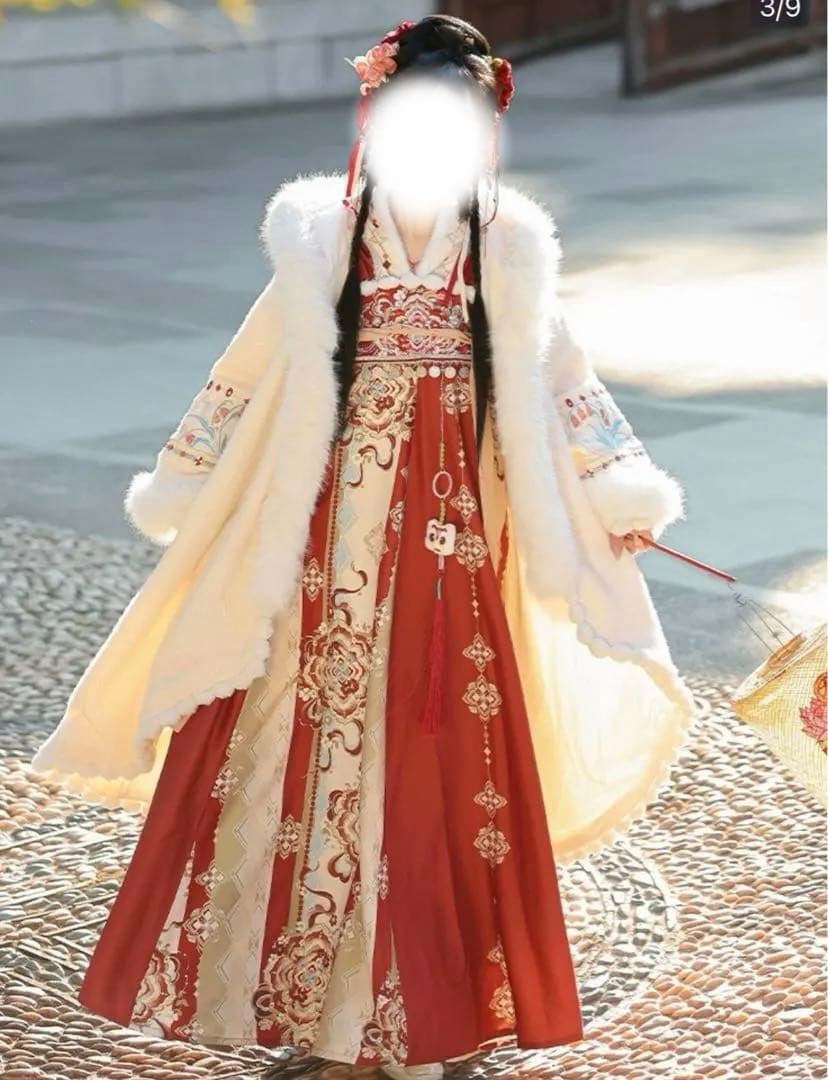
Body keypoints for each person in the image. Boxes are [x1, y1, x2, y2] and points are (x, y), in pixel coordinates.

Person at [28, 14, 698, 1079]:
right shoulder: (324, 240)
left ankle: (418, 1019)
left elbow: (565, 380)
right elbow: (248, 370)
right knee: (306, 759)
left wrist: (616, 487)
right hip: (322, 548)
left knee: (434, 766)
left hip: (448, 551)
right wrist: (193, 475)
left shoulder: (504, 246)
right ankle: (327, 1017)